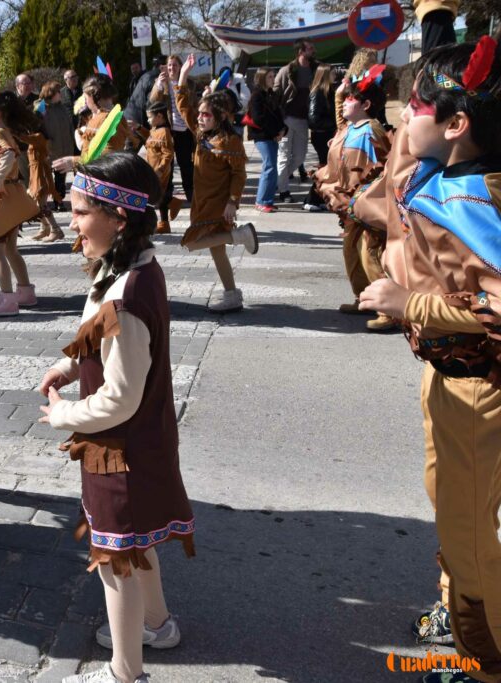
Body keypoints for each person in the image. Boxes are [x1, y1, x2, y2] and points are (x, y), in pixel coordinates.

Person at [355, 37, 501, 683]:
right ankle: (459, 613)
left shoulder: (477, 202)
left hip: (480, 385)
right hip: (447, 377)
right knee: (448, 502)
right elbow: (392, 205)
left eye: (413, 103)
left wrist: (410, 302)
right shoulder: (446, 176)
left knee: (471, 533)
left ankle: (487, 659)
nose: (400, 115)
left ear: (456, 123)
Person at [37, 152, 194, 683]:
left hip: (120, 447)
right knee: (136, 541)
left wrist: (63, 415)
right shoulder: (128, 268)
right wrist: (67, 363)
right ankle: (157, 624)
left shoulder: (126, 292)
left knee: (116, 561)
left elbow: (120, 397)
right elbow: (99, 338)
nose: (72, 222)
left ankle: (125, 672)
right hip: (137, 442)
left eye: (80, 212)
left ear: (119, 217)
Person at [175, 54, 258, 313]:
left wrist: (233, 201)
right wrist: (182, 76)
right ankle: (232, 295)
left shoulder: (229, 142)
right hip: (202, 201)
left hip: (217, 204)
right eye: (200, 114)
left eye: (206, 115)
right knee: (216, 249)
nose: (200, 118)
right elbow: (183, 108)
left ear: (220, 116)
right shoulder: (201, 134)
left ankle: (239, 235)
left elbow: (239, 175)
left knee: (191, 242)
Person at [314, 66, 393, 331]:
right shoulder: (349, 127)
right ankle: (365, 298)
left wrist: (371, 198)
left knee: (370, 253)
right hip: (349, 206)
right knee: (351, 252)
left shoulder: (373, 130)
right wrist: (341, 93)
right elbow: (341, 111)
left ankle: (388, 309)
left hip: (368, 205)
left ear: (366, 104)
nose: (345, 103)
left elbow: (387, 168)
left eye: (351, 99)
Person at [0, 91, 41, 317]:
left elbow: (9, 154)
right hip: (13, 192)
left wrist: (0, 179)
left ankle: (7, 299)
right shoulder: (4, 130)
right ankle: (25, 292)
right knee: (11, 248)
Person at [274, 39, 318, 203]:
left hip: (303, 120)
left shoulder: (316, 69)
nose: (313, 50)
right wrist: (277, 117)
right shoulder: (287, 70)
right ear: (300, 51)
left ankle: (278, 181)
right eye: (310, 47)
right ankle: (284, 191)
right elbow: (276, 92)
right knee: (284, 156)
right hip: (286, 119)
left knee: (300, 157)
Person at [149, 55, 196, 201]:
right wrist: (159, 86)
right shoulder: (162, 82)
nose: (171, 68)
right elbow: (153, 101)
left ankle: (191, 195)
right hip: (168, 131)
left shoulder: (190, 83)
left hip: (185, 130)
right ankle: (166, 196)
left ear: (181, 67)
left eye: (175, 65)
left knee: (186, 165)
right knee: (166, 164)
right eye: (169, 65)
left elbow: (192, 103)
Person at [247, 68, 286, 213]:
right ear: (262, 78)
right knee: (269, 167)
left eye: (273, 76)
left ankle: (268, 200)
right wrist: (276, 132)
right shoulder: (257, 95)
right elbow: (259, 119)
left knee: (272, 168)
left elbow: (277, 115)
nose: (273, 79)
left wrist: (282, 129)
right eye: (270, 76)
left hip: (271, 135)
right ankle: (261, 201)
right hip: (262, 136)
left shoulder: (270, 94)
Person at [141, 100, 181, 233]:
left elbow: (168, 153)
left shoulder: (164, 132)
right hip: (153, 169)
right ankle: (168, 214)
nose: (147, 119)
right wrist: (138, 129)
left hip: (160, 171)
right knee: (159, 196)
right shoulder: (155, 129)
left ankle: (164, 221)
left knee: (158, 196)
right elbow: (150, 139)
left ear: (159, 116)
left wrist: (161, 169)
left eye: (150, 116)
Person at [302, 64, 338, 212]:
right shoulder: (317, 93)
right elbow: (313, 119)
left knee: (326, 167)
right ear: (325, 75)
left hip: (327, 134)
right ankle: (311, 199)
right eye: (332, 73)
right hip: (321, 135)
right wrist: (333, 124)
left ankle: (318, 198)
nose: (335, 76)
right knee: (324, 168)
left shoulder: (328, 92)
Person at [37, 80, 77, 211]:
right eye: (58, 91)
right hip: (50, 147)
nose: (60, 94)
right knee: (47, 176)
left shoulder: (62, 107)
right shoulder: (41, 106)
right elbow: (36, 124)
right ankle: (46, 201)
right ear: (51, 93)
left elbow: (69, 126)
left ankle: (59, 200)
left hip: (64, 146)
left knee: (61, 176)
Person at [126, 56, 163, 126]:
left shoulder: (146, 77)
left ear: (140, 67)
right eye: (132, 69)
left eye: (136, 68)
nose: (134, 70)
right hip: (139, 116)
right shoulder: (134, 81)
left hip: (138, 116)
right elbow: (152, 102)